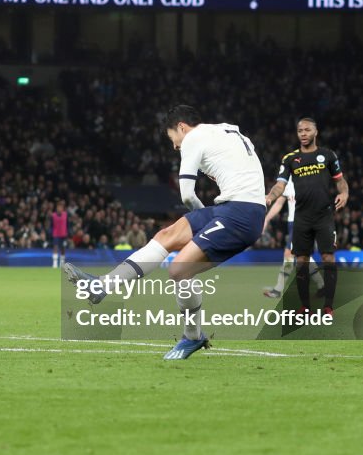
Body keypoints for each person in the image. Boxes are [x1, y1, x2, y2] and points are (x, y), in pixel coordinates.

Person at [64, 105, 266, 360]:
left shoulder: (194, 137)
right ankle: (102, 286)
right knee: (166, 236)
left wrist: (204, 224)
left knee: (179, 270)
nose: (174, 146)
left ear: (181, 127)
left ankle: (192, 336)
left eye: (173, 138)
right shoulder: (226, 132)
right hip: (234, 207)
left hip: (239, 214)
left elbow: (187, 194)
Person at [264, 117, 348, 316]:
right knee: (301, 261)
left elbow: (340, 180)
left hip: (324, 215)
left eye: (307, 130)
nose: (303, 133)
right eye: (300, 130)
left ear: (315, 132)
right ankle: (305, 307)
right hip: (301, 217)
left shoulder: (327, 155)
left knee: (328, 257)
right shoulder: (290, 159)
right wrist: (270, 196)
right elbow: (280, 185)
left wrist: (344, 193)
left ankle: (328, 305)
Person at [260, 176, 325, 299]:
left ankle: (278, 289)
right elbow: (279, 202)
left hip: (303, 223)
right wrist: (267, 219)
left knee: (288, 254)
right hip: (293, 223)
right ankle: (322, 286)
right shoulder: (288, 181)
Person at [50, 200, 69, 268]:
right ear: (56, 208)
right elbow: (51, 225)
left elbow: (67, 224)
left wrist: (68, 232)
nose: (59, 209)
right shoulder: (53, 215)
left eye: (61, 207)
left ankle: (62, 263)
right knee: (55, 247)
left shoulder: (65, 215)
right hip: (56, 234)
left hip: (63, 234)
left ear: (63, 208)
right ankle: (55, 263)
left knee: (63, 248)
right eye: (58, 207)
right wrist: (51, 232)